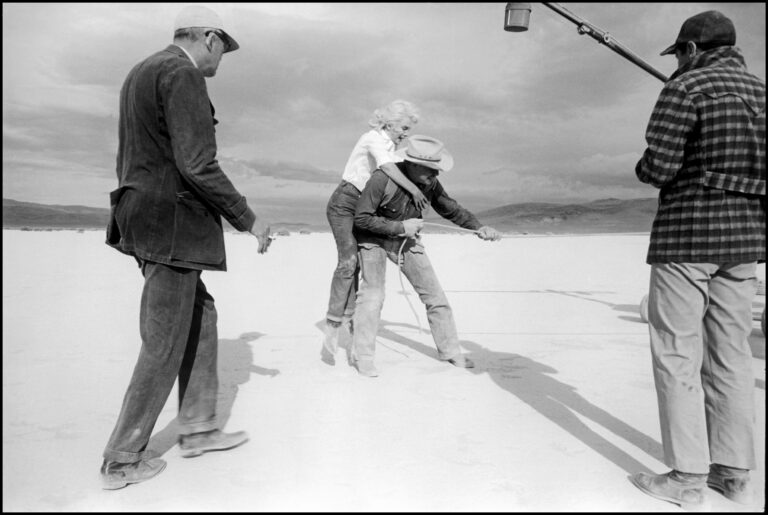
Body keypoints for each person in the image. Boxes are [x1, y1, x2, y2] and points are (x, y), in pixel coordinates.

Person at [101, 5, 273, 490]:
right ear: (211, 38)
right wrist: (248, 217)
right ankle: (122, 457)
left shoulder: (142, 70)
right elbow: (197, 163)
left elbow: (136, 154)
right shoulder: (183, 74)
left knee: (201, 318)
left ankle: (197, 428)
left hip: (144, 216)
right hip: (172, 224)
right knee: (164, 339)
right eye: (225, 50)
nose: (222, 62)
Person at [628, 10, 765, 510]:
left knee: (677, 354)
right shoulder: (764, 94)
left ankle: (687, 478)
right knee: (734, 356)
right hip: (745, 241)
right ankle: (733, 473)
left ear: (689, 50)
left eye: (680, 54)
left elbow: (658, 168)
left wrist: (647, 161)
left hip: (687, 239)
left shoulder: (684, 89)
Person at [351, 135, 501, 377]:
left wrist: (478, 227)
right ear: (412, 164)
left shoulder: (430, 184)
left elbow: (451, 209)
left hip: (405, 241)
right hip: (372, 240)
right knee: (372, 297)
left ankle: (451, 351)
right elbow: (361, 219)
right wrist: (399, 227)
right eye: (431, 169)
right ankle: (364, 357)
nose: (436, 175)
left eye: (437, 169)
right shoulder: (381, 179)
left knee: (435, 296)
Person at [322, 100, 428, 364]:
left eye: (409, 129)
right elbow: (387, 168)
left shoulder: (395, 148)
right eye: (403, 127)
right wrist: (414, 191)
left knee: (362, 268)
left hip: (366, 208)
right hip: (345, 202)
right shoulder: (372, 139)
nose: (406, 132)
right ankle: (333, 328)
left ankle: (352, 326)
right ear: (389, 122)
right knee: (348, 262)